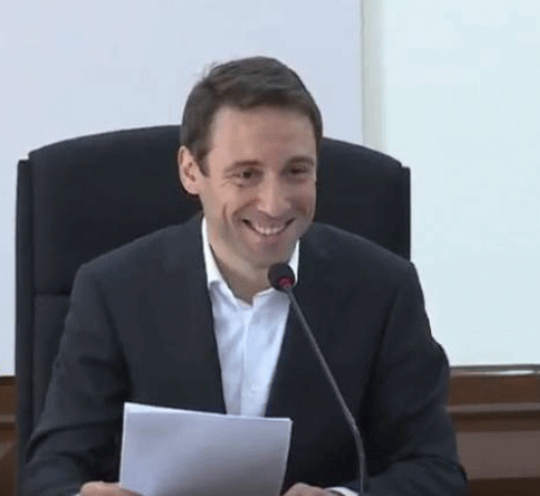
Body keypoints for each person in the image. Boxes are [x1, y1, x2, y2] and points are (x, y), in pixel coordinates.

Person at [22, 56, 469, 496]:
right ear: (191, 171)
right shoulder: (113, 290)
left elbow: (437, 474)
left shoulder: (383, 289)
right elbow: (49, 475)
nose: (274, 204)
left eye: (296, 171)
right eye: (246, 175)